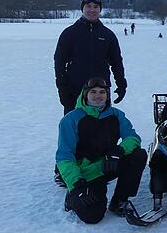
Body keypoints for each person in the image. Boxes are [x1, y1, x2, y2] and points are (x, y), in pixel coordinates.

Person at [54, 0, 127, 185]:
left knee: (101, 126)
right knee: (72, 129)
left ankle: (101, 163)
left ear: (100, 9)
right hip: (75, 91)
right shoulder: (70, 33)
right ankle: (64, 169)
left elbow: (116, 61)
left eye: (96, 7)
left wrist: (122, 83)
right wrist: (62, 89)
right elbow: (59, 62)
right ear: (82, 8)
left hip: (100, 91)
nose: (92, 10)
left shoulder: (107, 34)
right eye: (88, 6)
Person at [56, 77, 147, 224]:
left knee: (138, 155)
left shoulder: (116, 115)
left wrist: (118, 151)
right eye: (93, 92)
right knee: (92, 216)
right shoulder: (71, 119)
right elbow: (64, 156)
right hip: (85, 173)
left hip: (108, 163)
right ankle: (71, 199)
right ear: (85, 95)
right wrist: (76, 184)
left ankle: (119, 201)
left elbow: (132, 137)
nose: (98, 96)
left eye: (102, 92)